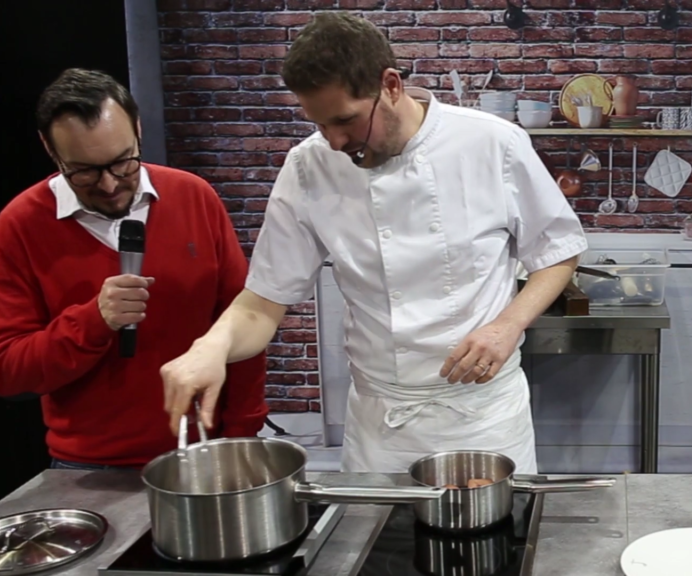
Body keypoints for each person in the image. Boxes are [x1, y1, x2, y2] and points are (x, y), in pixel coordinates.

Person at [160, 12, 586, 474]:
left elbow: (559, 252)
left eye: (345, 120)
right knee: (374, 544)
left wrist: (507, 327)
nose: (335, 140)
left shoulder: (492, 143)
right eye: (320, 125)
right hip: (379, 425)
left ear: (391, 85)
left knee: (495, 542)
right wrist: (212, 346)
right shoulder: (308, 167)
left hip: (482, 419)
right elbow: (263, 303)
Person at [0, 68, 269, 470]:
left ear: (137, 129)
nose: (111, 185)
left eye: (123, 163)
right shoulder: (18, 229)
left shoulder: (194, 198)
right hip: (90, 469)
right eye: (84, 172)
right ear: (49, 148)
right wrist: (93, 320)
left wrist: (242, 436)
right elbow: (8, 371)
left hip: (206, 450)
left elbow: (240, 323)